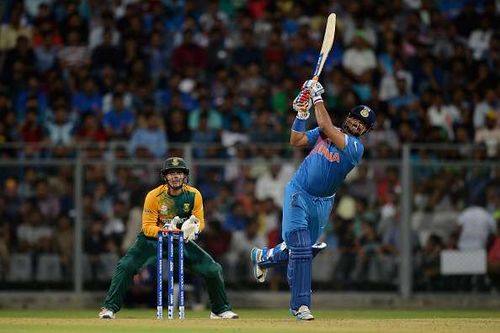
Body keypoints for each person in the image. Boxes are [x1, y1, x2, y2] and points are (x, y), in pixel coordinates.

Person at [250, 80, 376, 320]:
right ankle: (301, 306)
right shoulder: (323, 131)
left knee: (304, 250)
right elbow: (296, 141)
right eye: (354, 119)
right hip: (298, 192)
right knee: (301, 248)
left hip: (323, 203)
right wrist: (301, 113)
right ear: (348, 117)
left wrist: (316, 97)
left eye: (362, 125)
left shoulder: (354, 148)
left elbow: (327, 127)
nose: (356, 124)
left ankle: (264, 257)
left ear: (365, 132)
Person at [99, 157, 238, 319]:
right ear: (165, 177)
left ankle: (219, 309)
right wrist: (165, 231)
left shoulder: (194, 195)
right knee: (125, 266)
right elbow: (147, 227)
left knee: (213, 269)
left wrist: (193, 230)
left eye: (179, 173)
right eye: (171, 173)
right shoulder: (154, 196)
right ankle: (109, 308)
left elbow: (199, 222)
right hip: (152, 241)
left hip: (179, 240)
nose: (176, 176)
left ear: (185, 176)